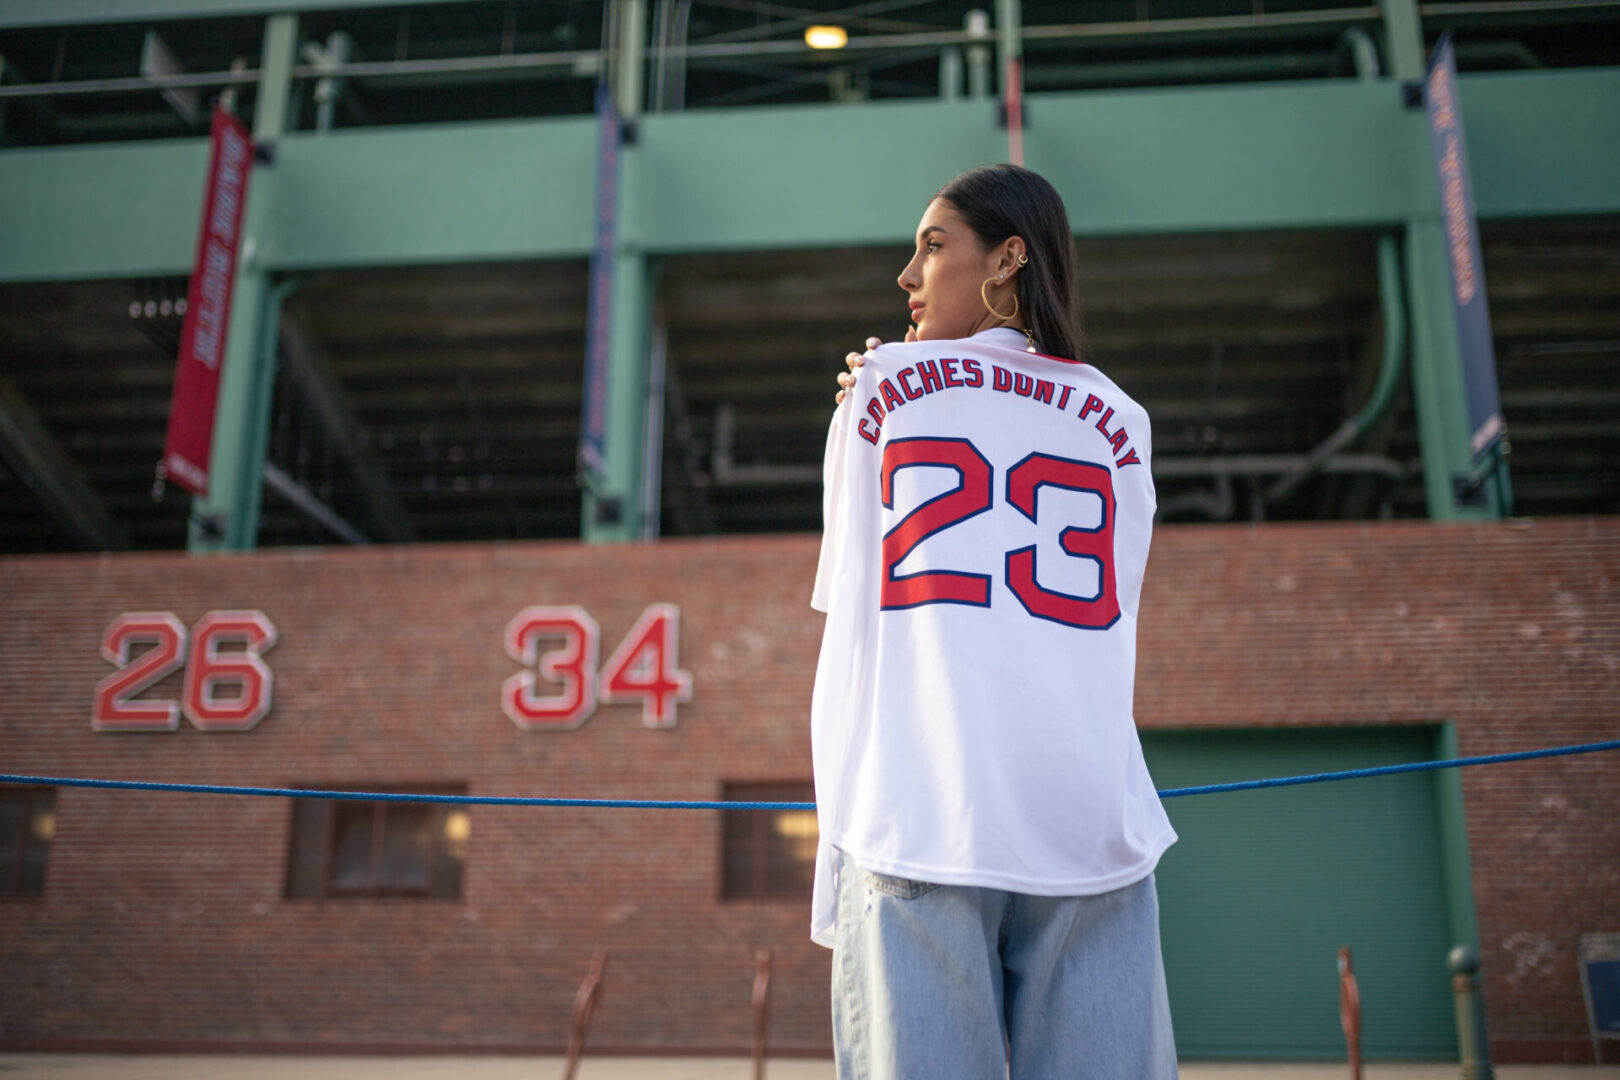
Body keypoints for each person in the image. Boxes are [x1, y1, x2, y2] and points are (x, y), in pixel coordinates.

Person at [810, 164, 1179, 1079]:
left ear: (1008, 258)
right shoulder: (1122, 423)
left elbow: (852, 607)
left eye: (933, 246)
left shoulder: (881, 391)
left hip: (920, 810)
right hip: (1090, 818)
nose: (908, 275)